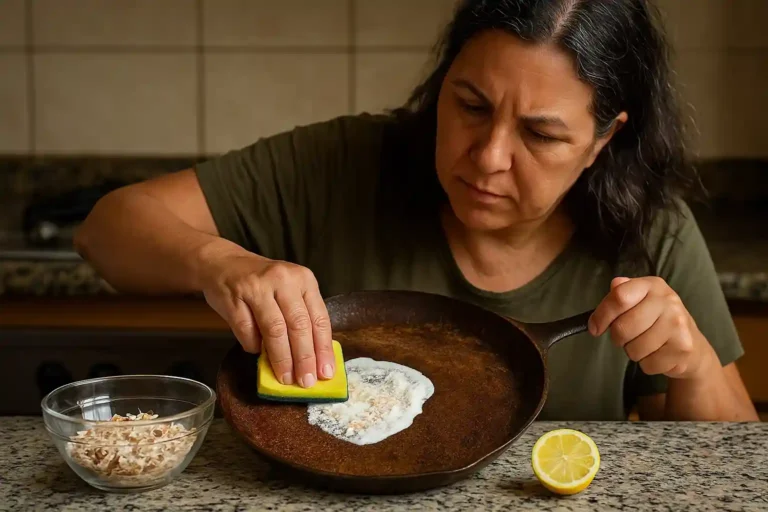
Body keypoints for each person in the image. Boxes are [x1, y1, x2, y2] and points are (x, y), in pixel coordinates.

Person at [74, 0, 758, 422]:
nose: (488, 156)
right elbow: (107, 230)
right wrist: (219, 261)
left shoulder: (652, 229)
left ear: (603, 142)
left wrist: (693, 364)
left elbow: (728, 468)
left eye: (540, 135)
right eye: (470, 106)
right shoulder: (340, 164)